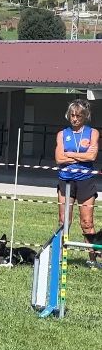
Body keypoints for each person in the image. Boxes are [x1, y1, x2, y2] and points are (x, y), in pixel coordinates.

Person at [56, 98, 99, 266]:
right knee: (63, 220)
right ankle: (60, 257)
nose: (75, 119)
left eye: (78, 116)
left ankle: (93, 260)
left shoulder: (92, 132)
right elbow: (59, 158)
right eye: (72, 115)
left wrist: (70, 155)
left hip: (85, 181)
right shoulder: (62, 134)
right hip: (65, 181)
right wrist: (78, 156)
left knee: (87, 223)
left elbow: (91, 156)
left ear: (85, 116)